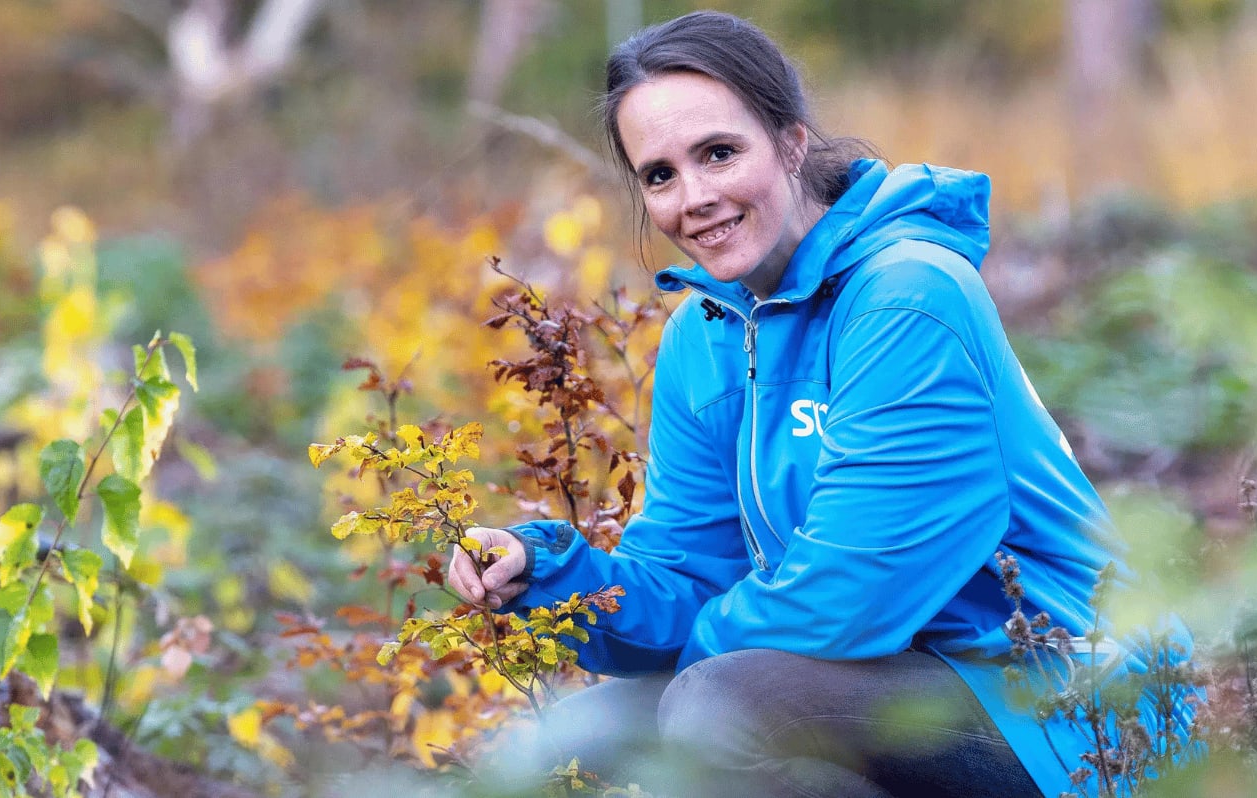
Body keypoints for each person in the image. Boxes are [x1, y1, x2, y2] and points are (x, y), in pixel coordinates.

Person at [448, 10, 1194, 798]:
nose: (692, 197)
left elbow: (849, 599)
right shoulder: (702, 338)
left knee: (716, 707)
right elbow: (687, 569)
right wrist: (550, 576)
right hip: (882, 684)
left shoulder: (906, 297)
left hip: (1067, 708)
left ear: (792, 143)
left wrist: (679, 665)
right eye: (659, 174)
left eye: (719, 153)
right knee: (561, 745)